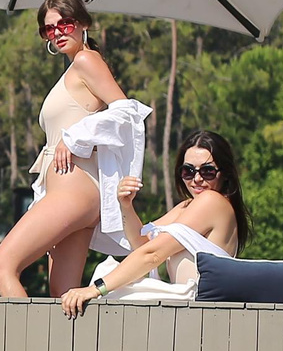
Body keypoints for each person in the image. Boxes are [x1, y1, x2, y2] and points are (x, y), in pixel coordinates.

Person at [0, 0, 152, 299]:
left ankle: (27, 346)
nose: (57, 33)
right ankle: (66, 349)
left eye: (64, 24)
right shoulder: (74, 68)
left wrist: (76, 136)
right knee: (63, 294)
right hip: (74, 195)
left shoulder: (86, 61)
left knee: (1, 265)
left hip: (73, 192)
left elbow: (127, 111)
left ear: (82, 23)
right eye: (49, 29)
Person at [59, 130, 249, 315]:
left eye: (207, 171)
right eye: (188, 171)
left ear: (225, 174)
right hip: (189, 311)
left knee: (110, 283)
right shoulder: (187, 207)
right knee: (111, 277)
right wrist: (126, 206)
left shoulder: (211, 201)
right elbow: (141, 244)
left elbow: (152, 255)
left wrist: (95, 289)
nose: (197, 179)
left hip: (201, 311)